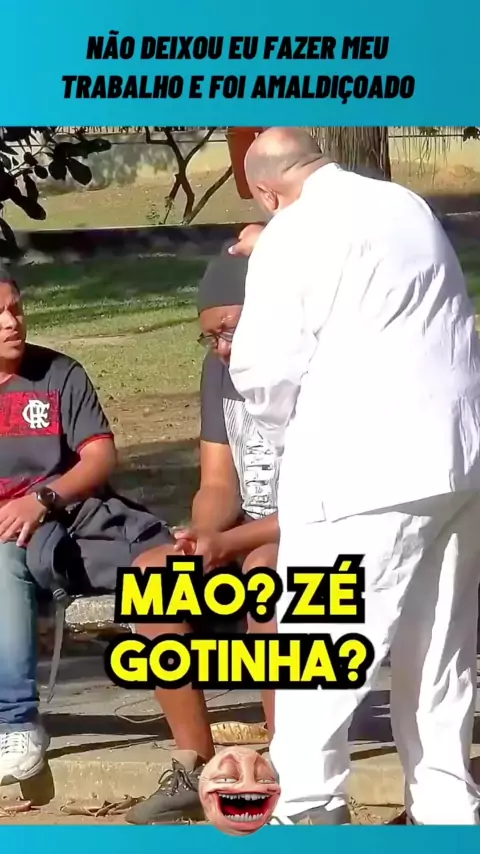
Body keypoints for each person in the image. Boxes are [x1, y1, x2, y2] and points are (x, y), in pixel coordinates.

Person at [228, 127, 480, 825]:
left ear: (267, 192)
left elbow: (263, 371)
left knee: (321, 652)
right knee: (439, 656)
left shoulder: (290, 233)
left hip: (361, 469)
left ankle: (308, 809)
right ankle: (447, 810)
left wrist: (285, 432)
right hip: (455, 459)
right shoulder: (403, 203)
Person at [126, 229, 281, 825]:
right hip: (245, 529)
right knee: (155, 574)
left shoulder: (312, 372)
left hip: (316, 530)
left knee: (267, 578)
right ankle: (194, 763)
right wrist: (199, 537)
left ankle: (283, 761)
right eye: (211, 336)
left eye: (230, 331)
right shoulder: (218, 373)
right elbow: (218, 482)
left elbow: (323, 506)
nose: (220, 348)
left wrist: (233, 542)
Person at [0, 271, 174, 785]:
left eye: (16, 308)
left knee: (5, 557)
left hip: (58, 522)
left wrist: (42, 499)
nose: (12, 322)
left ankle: (17, 722)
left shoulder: (59, 374)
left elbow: (98, 457)